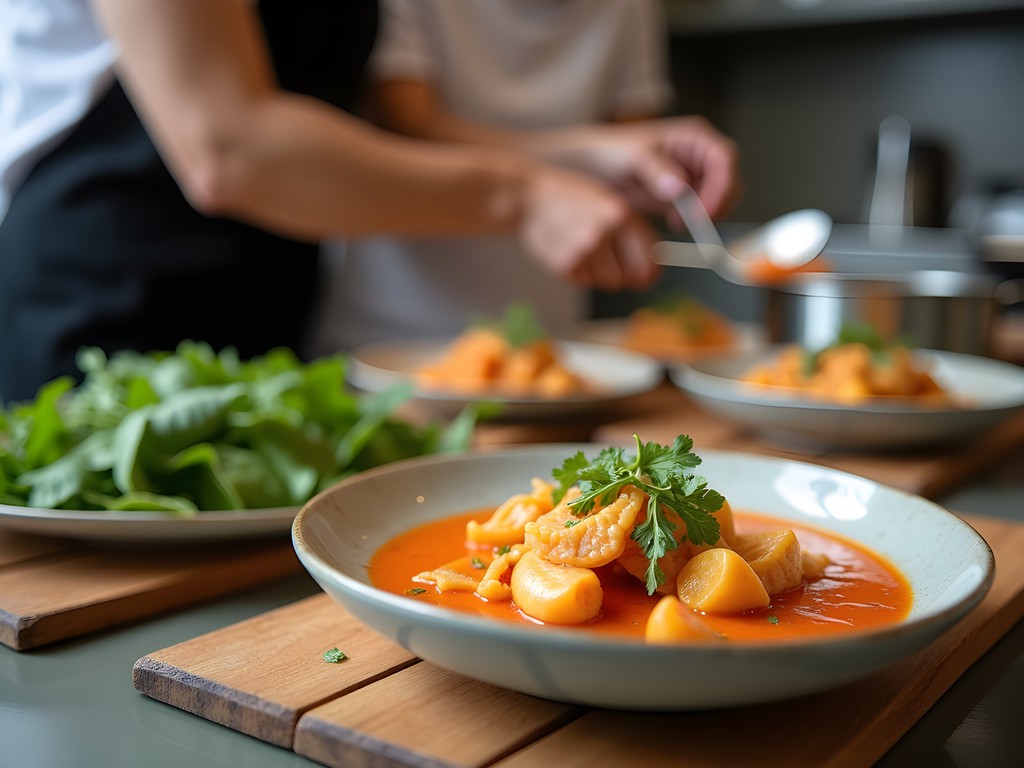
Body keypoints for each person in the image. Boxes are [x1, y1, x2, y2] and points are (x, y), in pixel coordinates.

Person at [0, 0, 739, 405]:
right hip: (96, 314)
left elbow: (343, 129)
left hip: (266, 325)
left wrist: (581, 156)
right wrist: (523, 196)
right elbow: (228, 147)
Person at [307, 0, 722, 353]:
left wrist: (653, 176)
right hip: (388, 336)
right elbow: (412, 128)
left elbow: (623, 160)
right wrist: (586, 157)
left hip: (549, 338)